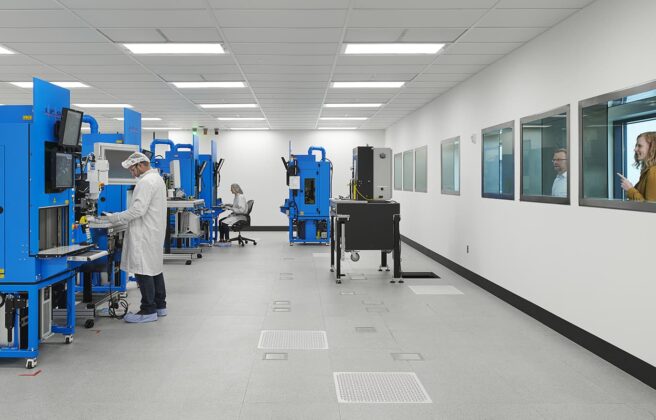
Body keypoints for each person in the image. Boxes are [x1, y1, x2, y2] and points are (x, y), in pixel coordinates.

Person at [106, 152, 168, 323]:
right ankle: (160, 305)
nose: (131, 173)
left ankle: (148, 310)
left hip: (144, 233)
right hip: (153, 231)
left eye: (132, 169)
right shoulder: (157, 179)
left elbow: (138, 210)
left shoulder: (145, 182)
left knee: (143, 269)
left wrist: (115, 217)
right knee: (154, 268)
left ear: (141, 165)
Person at [618, 131, 656, 201]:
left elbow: (650, 208)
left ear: (652, 148)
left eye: (639, 146)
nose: (635, 149)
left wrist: (630, 189)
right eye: (636, 145)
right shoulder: (648, 170)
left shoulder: (653, 171)